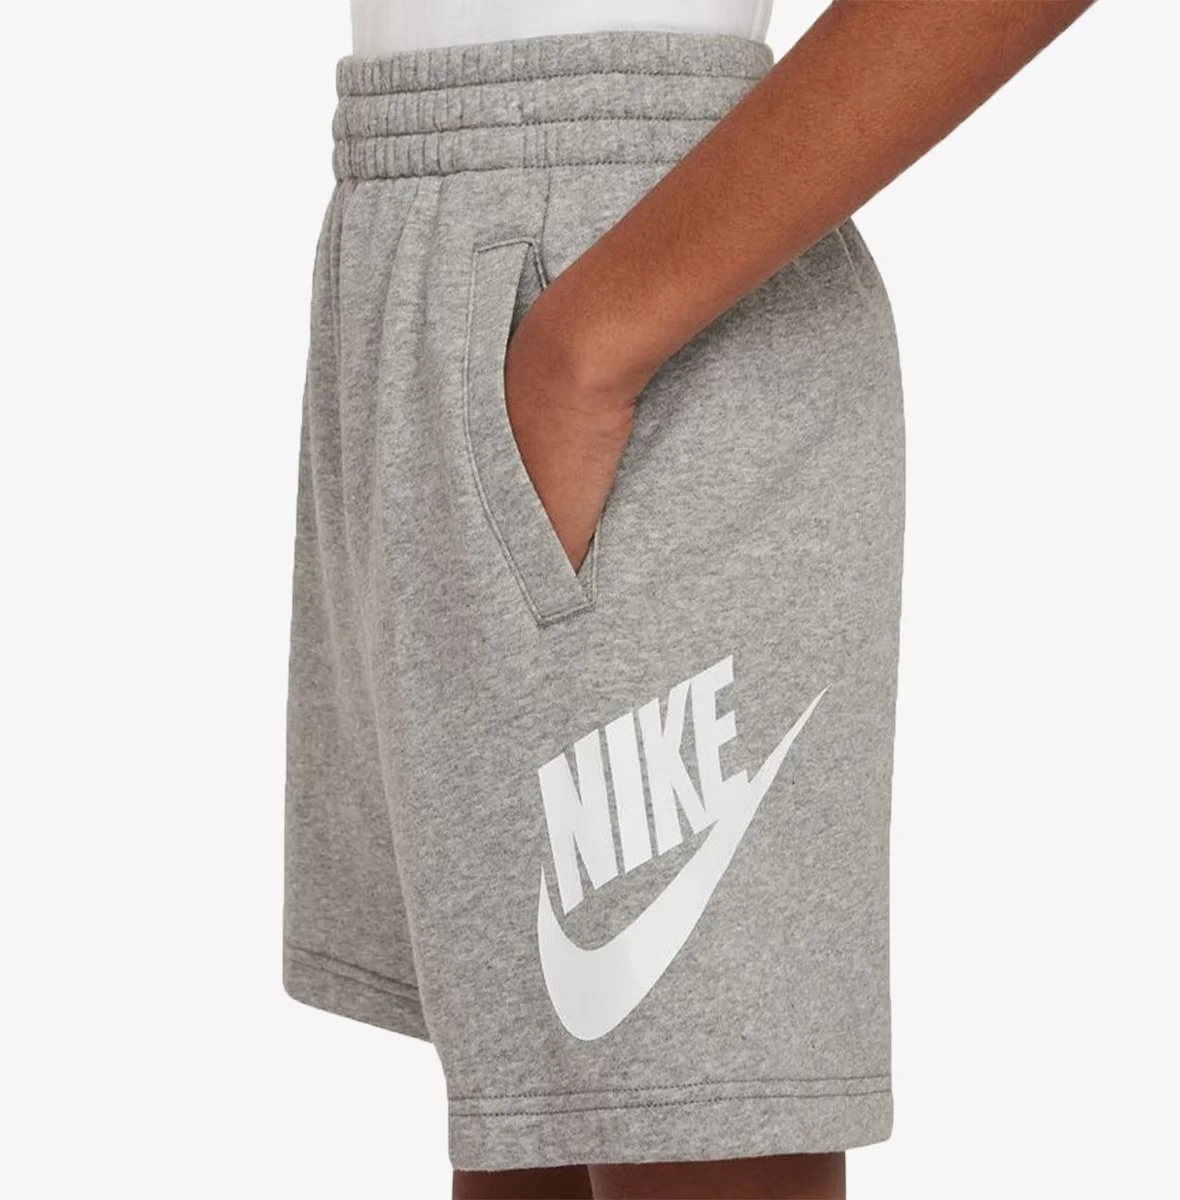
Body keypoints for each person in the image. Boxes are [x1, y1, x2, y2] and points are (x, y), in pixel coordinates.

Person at [282, 3, 1095, 1197]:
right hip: (423, 239)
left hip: (636, 272)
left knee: (682, 1116)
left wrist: (585, 350)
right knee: (538, 1119)